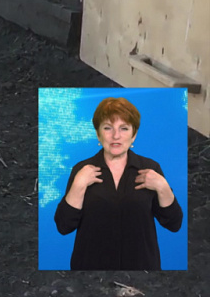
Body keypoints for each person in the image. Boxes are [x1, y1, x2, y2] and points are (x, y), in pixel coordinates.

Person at [54, 97, 183, 270]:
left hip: (142, 270)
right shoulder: (81, 170)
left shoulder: (151, 168)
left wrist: (163, 187)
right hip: (90, 271)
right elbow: (64, 226)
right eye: (108, 128)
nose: (116, 135)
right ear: (98, 134)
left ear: (133, 135)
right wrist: (78, 185)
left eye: (124, 128)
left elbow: (174, 224)